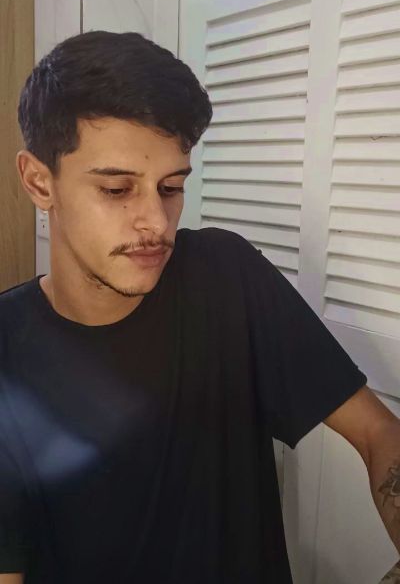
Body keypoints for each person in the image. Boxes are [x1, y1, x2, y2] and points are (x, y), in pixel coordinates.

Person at [0, 31, 399, 584]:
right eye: (117, 190)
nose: (156, 222)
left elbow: (379, 434)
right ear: (39, 182)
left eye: (170, 188)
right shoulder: (8, 352)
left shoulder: (225, 277)